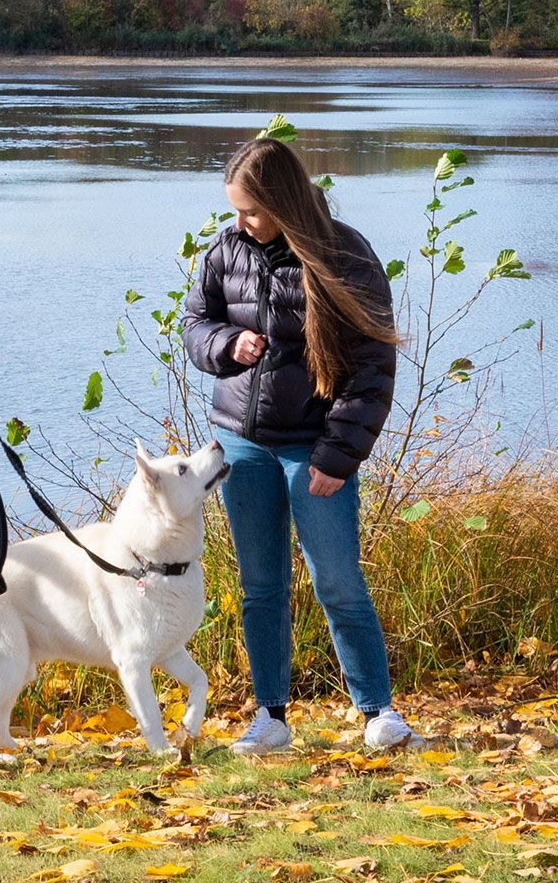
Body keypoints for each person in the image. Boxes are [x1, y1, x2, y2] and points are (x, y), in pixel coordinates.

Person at [183, 136, 424, 755]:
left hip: (315, 448)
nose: (240, 222)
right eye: (235, 210)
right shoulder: (226, 248)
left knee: (337, 582)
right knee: (260, 587)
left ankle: (378, 714)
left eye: (251, 211)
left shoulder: (346, 255)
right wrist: (224, 345)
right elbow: (194, 323)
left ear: (284, 204)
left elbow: (372, 368)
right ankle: (270, 718)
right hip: (241, 444)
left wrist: (337, 456)